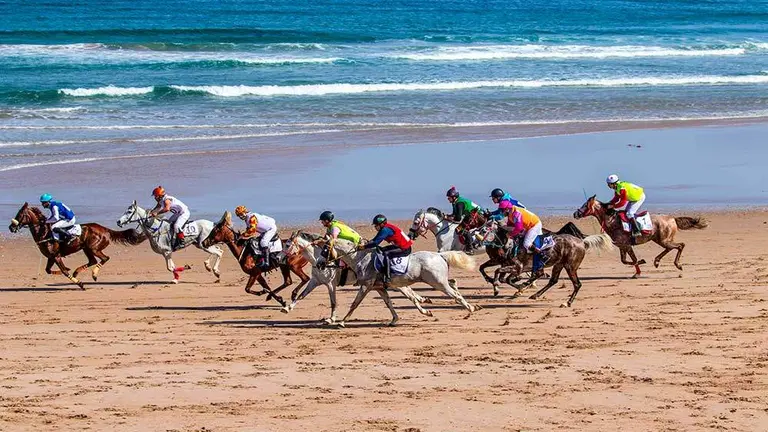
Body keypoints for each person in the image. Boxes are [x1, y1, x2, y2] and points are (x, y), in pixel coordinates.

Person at [357, 214, 413, 288]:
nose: (375, 227)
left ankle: (387, 277)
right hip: (400, 246)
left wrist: (364, 247)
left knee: (386, 253)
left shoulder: (385, 230)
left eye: (376, 225)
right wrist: (367, 243)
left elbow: (375, 243)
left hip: (404, 248)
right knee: (381, 249)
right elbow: (375, 239)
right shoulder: (384, 228)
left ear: (382, 224)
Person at [502, 204, 544, 272]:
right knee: (520, 238)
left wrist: (510, 234)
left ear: (506, 209)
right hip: (528, 225)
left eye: (502, 210)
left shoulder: (516, 214)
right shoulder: (511, 213)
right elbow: (511, 225)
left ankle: (541, 253)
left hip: (534, 225)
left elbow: (518, 228)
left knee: (526, 243)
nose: (501, 213)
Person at [235, 205, 279, 270]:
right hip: (264, 231)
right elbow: (248, 229)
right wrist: (242, 235)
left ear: (245, 212)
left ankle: (266, 262)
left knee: (263, 242)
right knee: (257, 242)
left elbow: (252, 230)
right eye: (239, 216)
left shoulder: (252, 217)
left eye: (241, 214)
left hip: (270, 229)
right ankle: (261, 259)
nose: (240, 217)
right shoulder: (247, 219)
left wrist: (242, 235)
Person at [149, 186, 189, 250]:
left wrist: (157, 213)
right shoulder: (161, 200)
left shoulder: (166, 200)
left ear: (160, 196)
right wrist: (150, 213)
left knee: (176, 226)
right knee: (168, 224)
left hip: (184, 213)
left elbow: (167, 209)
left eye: (155, 196)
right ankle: (172, 238)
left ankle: (182, 242)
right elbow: (157, 207)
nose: (155, 198)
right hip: (177, 213)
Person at [445, 186, 484, 252]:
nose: (448, 199)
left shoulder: (459, 203)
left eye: (449, 198)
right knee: (458, 228)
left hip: (478, 216)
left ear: (454, 197)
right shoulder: (454, 203)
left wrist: (448, 218)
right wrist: (447, 216)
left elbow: (458, 218)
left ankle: (470, 248)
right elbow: (454, 214)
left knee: (460, 229)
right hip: (470, 215)